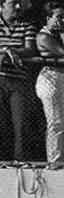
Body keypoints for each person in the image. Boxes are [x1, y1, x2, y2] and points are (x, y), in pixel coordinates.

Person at [34, 3, 64, 164]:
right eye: (58, 17)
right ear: (48, 18)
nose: (62, 20)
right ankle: (54, 161)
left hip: (62, 79)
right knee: (55, 123)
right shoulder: (44, 36)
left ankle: (63, 159)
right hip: (50, 79)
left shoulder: (56, 35)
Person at [0, 0, 37, 162]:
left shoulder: (26, 26)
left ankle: (19, 162)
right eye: (13, 3)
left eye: (19, 3)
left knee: (20, 124)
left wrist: (10, 51)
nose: (18, 7)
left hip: (18, 81)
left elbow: (30, 49)